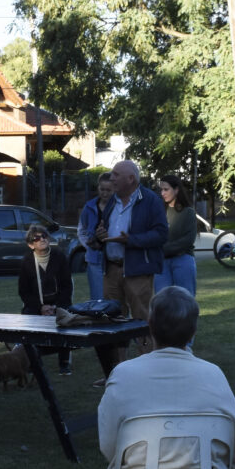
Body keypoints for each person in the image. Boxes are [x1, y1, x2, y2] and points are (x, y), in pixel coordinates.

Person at [98, 286, 235, 469]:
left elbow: (108, 445)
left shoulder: (122, 375)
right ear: (193, 331)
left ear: (150, 326)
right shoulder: (213, 374)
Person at [93, 160, 169, 384]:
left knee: (141, 321)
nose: (111, 178)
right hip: (112, 269)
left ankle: (147, 372)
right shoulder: (111, 202)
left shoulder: (151, 201)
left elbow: (161, 234)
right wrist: (100, 235)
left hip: (137, 271)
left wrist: (131, 241)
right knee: (111, 321)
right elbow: (104, 231)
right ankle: (116, 373)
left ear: (131, 179)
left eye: (116, 175)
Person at [17, 224, 73, 375]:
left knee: (64, 319)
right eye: (37, 238)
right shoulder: (26, 261)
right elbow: (24, 291)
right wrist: (40, 307)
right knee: (27, 320)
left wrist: (56, 307)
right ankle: (32, 361)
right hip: (36, 304)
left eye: (44, 236)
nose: (41, 239)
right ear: (30, 244)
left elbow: (67, 286)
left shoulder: (59, 256)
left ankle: (64, 363)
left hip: (58, 302)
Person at [155, 174, 198, 296]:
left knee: (185, 298)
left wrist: (162, 250)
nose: (162, 193)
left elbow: (188, 240)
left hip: (183, 259)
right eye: (161, 189)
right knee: (161, 299)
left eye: (166, 189)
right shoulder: (160, 212)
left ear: (176, 189)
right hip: (162, 262)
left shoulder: (188, 212)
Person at [79, 172, 115, 301]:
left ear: (114, 189)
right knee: (97, 297)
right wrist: (89, 245)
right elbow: (81, 230)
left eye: (108, 190)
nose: (105, 193)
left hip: (113, 258)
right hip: (95, 257)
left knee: (114, 297)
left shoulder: (119, 206)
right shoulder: (89, 207)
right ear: (98, 188)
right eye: (102, 189)